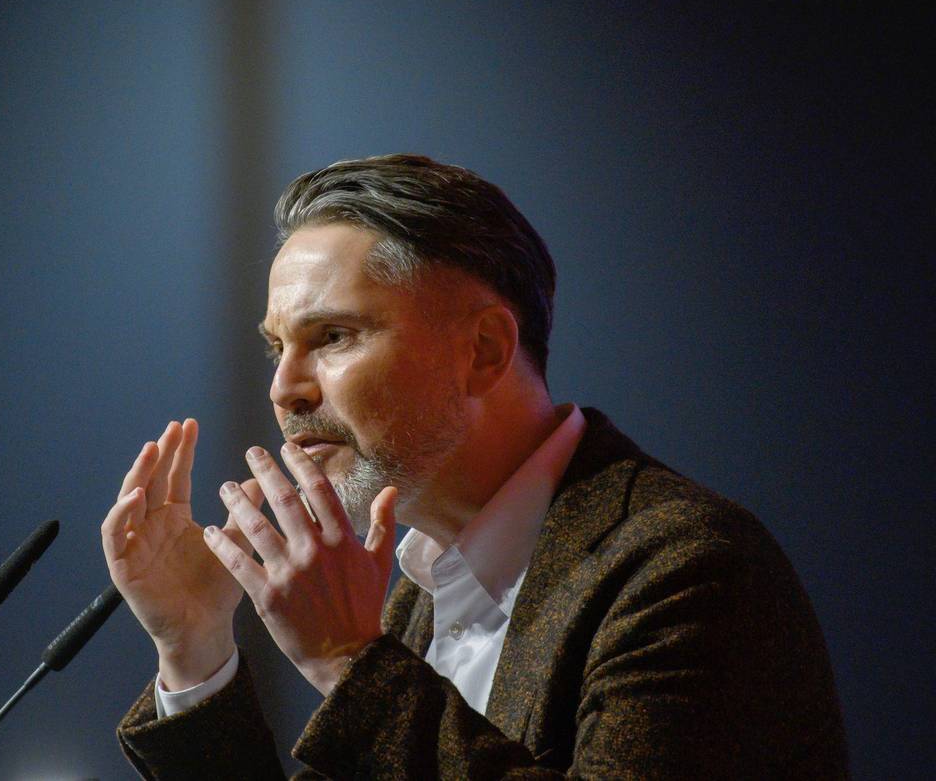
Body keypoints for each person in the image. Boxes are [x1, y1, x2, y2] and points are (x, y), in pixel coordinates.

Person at [100, 155, 848, 778]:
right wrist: (195, 648)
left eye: (331, 336)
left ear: (485, 350)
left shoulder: (686, 567)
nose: (283, 389)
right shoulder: (421, 593)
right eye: (277, 347)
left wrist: (349, 661)